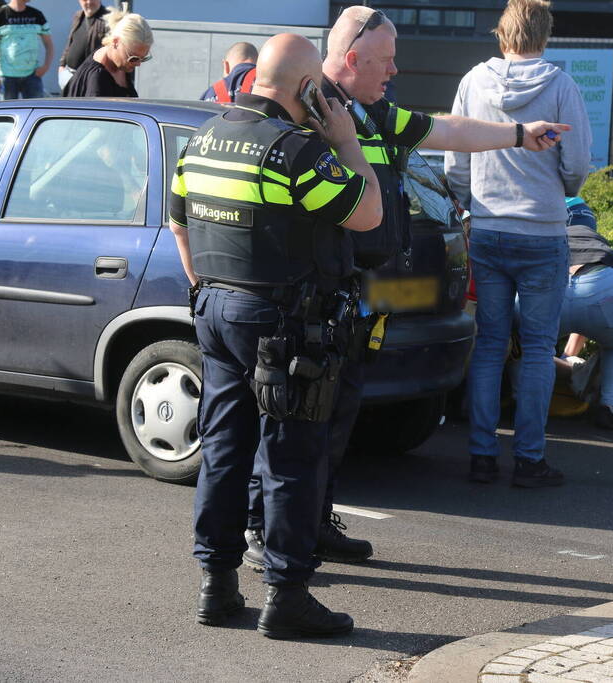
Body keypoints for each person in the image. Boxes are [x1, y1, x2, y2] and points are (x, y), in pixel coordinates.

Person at [243, 5, 573, 569]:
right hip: (314, 290)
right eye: (387, 61)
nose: (395, 71)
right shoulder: (312, 108)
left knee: (337, 413)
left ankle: (315, 521)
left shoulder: (373, 111)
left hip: (358, 293)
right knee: (293, 422)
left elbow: (445, 129)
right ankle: (262, 532)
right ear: (352, 59)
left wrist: (520, 134)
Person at [169, 33, 383, 639]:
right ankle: (286, 598)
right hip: (284, 325)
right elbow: (367, 214)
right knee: (290, 459)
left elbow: (178, 222)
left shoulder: (205, 136)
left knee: (224, 449)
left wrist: (211, 289)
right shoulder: (295, 150)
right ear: (310, 89)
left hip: (215, 310)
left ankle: (216, 586)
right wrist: (346, 141)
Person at [445, 0, 592, 487]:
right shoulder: (561, 85)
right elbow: (576, 165)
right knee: (535, 348)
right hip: (542, 232)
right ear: (545, 35)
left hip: (487, 228)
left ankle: (481, 456)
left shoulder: (472, 81)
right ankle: (529, 461)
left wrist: (468, 204)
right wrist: (562, 187)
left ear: (501, 33)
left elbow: (456, 160)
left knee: (488, 344)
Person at [555, 197, 613, 430]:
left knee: (526, 341)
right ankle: (610, 407)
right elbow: (585, 305)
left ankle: (523, 397)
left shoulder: (544, 231)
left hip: (555, 288)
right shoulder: (596, 239)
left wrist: (564, 358)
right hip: (607, 285)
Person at [61, 9, 151, 98]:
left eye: (143, 58)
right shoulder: (97, 80)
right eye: (133, 58)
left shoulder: (121, 63)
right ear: (116, 42)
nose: (138, 64)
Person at [0, 0, 53, 100]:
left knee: (35, 110)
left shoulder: (37, 15)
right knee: (7, 113)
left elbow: (49, 44)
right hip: (5, 77)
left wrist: (46, 66)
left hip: (32, 75)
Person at [58, 0, 109, 92]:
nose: (89, 2)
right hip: (68, 74)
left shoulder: (108, 19)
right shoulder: (78, 16)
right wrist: (62, 65)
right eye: (85, 0)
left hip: (89, 78)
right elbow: (70, 41)